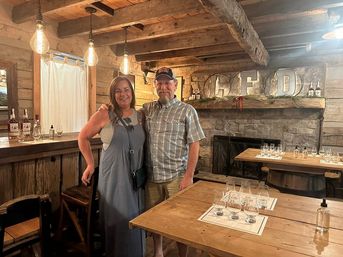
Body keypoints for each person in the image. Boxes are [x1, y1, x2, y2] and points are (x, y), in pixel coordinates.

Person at [78, 76, 145, 257]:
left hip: (136, 179)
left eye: (126, 90)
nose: (123, 94)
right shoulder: (104, 114)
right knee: (118, 221)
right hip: (114, 178)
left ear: (132, 92)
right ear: (112, 94)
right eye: (118, 90)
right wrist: (90, 164)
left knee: (137, 220)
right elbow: (82, 137)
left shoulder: (141, 116)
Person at [143, 67, 205, 257]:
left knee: (180, 222)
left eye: (167, 83)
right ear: (155, 86)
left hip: (176, 177)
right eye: (159, 83)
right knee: (154, 219)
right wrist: (108, 108)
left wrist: (189, 176)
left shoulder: (187, 110)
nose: (163, 87)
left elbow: (195, 143)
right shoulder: (147, 109)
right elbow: (126, 112)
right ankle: (159, 251)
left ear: (175, 85)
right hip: (152, 176)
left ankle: (182, 255)